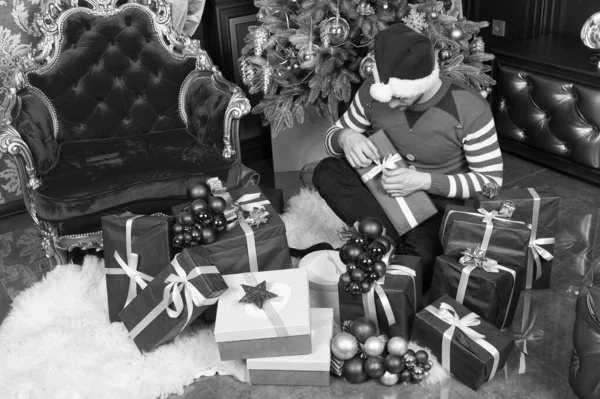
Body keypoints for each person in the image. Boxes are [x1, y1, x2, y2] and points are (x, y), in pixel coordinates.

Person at [312, 23, 503, 291]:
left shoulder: (470, 108)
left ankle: (381, 246)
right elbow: (333, 137)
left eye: (399, 97)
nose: (390, 104)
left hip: (435, 204)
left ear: (422, 83)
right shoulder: (371, 91)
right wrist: (345, 137)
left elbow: (490, 181)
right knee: (325, 171)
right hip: (380, 187)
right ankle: (387, 246)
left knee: (423, 263)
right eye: (386, 94)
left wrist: (424, 181)